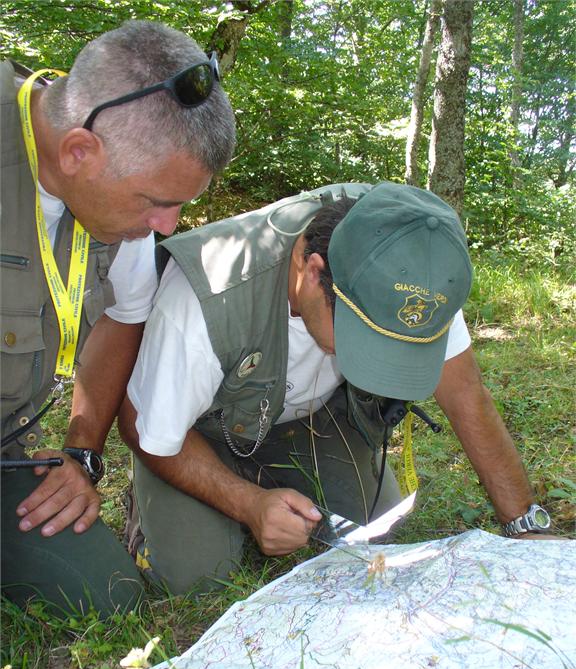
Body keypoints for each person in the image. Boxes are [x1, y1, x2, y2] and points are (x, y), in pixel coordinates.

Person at [118, 181, 555, 596]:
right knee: (198, 575)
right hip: (200, 431)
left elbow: (465, 396)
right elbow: (141, 426)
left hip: (306, 419)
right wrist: (248, 504)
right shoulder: (208, 299)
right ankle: (162, 509)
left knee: (375, 528)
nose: (371, 357)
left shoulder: (417, 273)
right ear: (312, 272)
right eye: (361, 337)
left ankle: (264, 487)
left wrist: (524, 524)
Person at [0, 20, 236, 616]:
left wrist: (81, 452)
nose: (167, 226)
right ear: (78, 152)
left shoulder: (119, 206)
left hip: (6, 449)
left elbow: (123, 318)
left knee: (107, 598)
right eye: (157, 202)